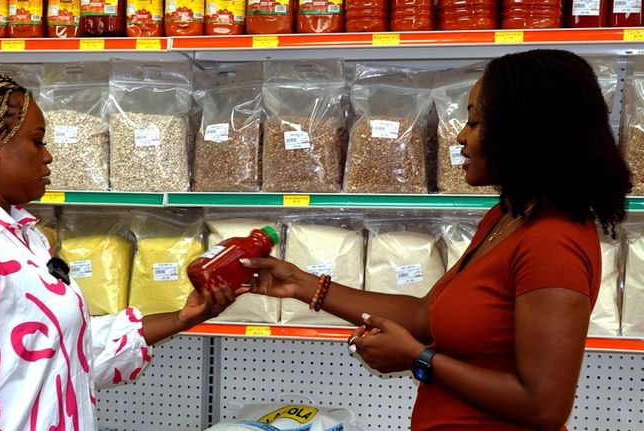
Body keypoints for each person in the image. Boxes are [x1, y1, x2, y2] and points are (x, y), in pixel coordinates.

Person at [242, 49, 632, 431]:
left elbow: (543, 406)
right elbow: (427, 317)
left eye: (476, 122)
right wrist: (302, 285)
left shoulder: (552, 242)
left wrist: (419, 358)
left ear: (524, 131)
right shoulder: (507, 217)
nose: (460, 136)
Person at [0, 72, 245, 431]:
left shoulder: (19, 237)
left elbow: (63, 354)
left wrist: (183, 317)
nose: (49, 155)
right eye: (37, 141)